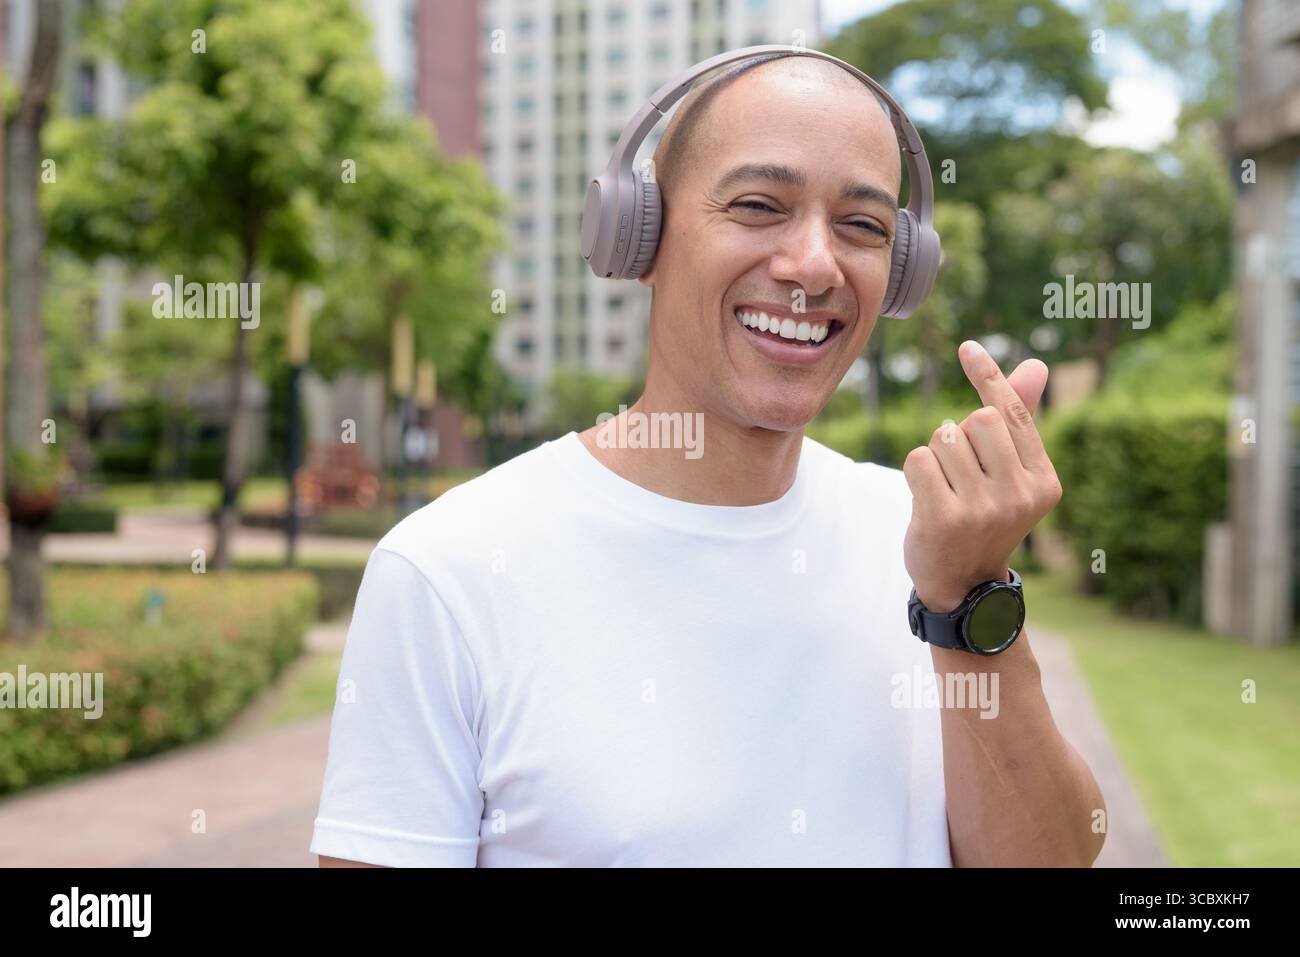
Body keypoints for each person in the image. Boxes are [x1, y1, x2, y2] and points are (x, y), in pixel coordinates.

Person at [312, 48, 1105, 868]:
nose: (812, 266)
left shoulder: (930, 541)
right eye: (760, 205)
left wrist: (968, 601)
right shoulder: (448, 571)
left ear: (902, 271)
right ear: (638, 233)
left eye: (862, 225)